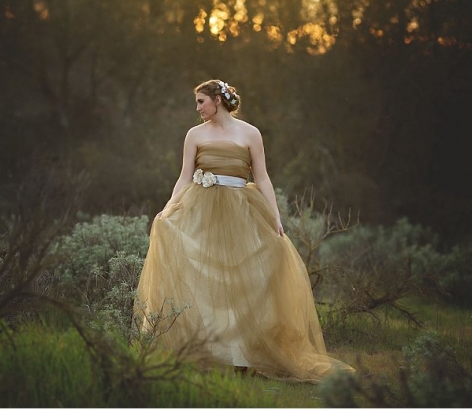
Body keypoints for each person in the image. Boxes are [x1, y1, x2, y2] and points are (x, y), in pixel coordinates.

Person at [135, 79, 355, 383]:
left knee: (246, 276)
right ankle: (208, 350)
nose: (198, 108)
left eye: (201, 101)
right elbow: (184, 176)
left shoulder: (250, 133)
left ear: (218, 100)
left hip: (240, 210)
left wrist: (275, 216)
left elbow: (262, 177)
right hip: (201, 209)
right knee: (203, 273)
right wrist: (169, 207)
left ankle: (243, 354)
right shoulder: (194, 134)